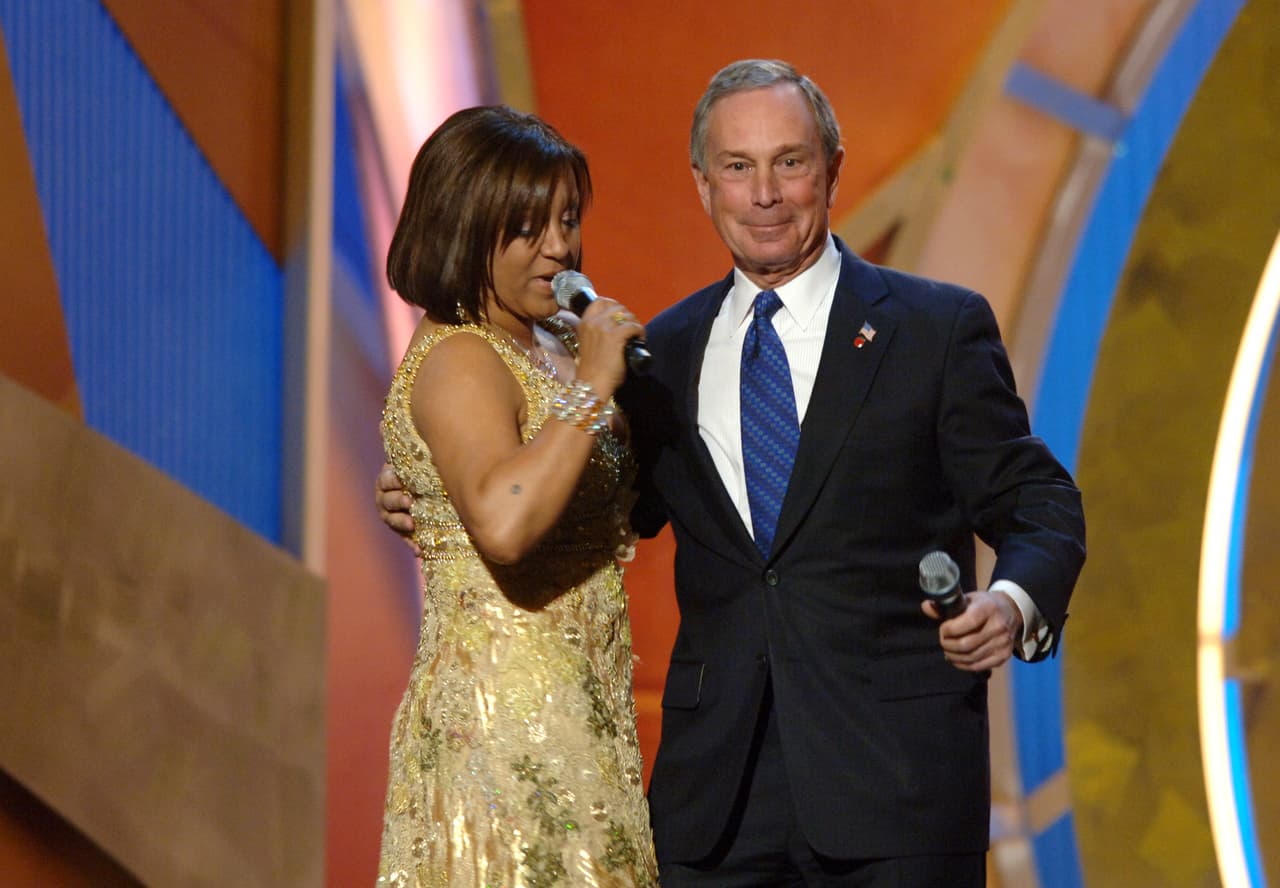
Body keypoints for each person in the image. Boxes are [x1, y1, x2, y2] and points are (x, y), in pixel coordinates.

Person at [379, 60, 1085, 887]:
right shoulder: (661, 355)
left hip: (897, 797)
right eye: (738, 168)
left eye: (790, 162)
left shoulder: (935, 330)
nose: (765, 194)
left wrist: (1012, 603)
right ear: (703, 185)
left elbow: (1039, 504)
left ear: (831, 167)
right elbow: (588, 500)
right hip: (711, 810)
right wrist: (434, 491)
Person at [373, 105, 658, 887]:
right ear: (468, 225)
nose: (562, 247)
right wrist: (599, 384)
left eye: (568, 219)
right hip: (504, 732)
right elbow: (502, 521)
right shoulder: (461, 356)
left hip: (582, 718)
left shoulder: (553, 344)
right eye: (530, 227)